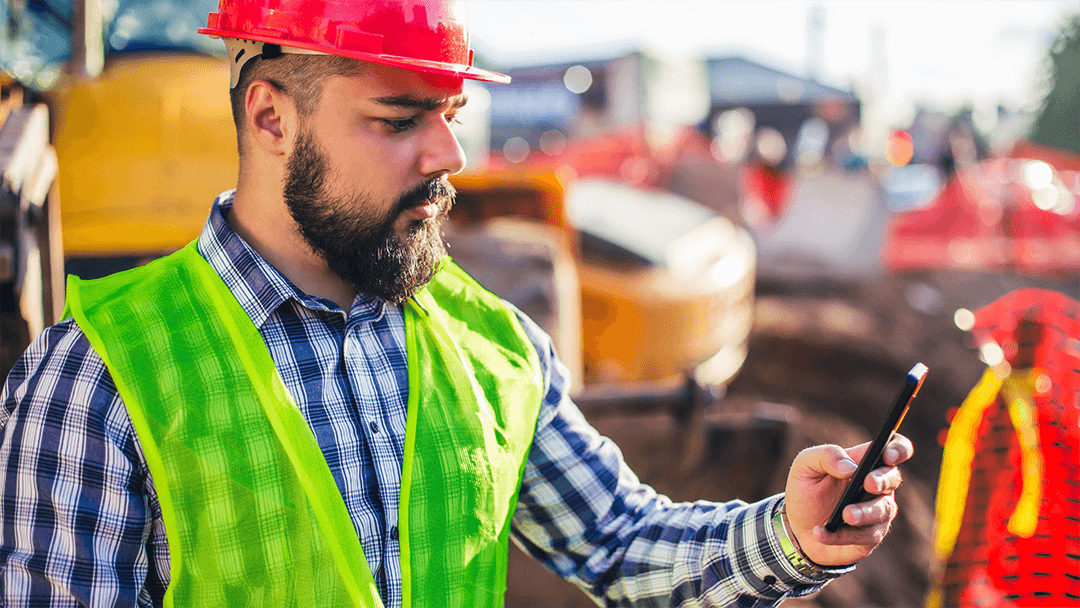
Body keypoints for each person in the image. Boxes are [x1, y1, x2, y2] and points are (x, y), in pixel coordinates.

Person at [0, 1, 914, 606]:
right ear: (271, 119)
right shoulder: (96, 383)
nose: (449, 157)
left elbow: (621, 542)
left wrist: (789, 536)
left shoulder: (491, 345)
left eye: (450, 116)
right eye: (400, 120)